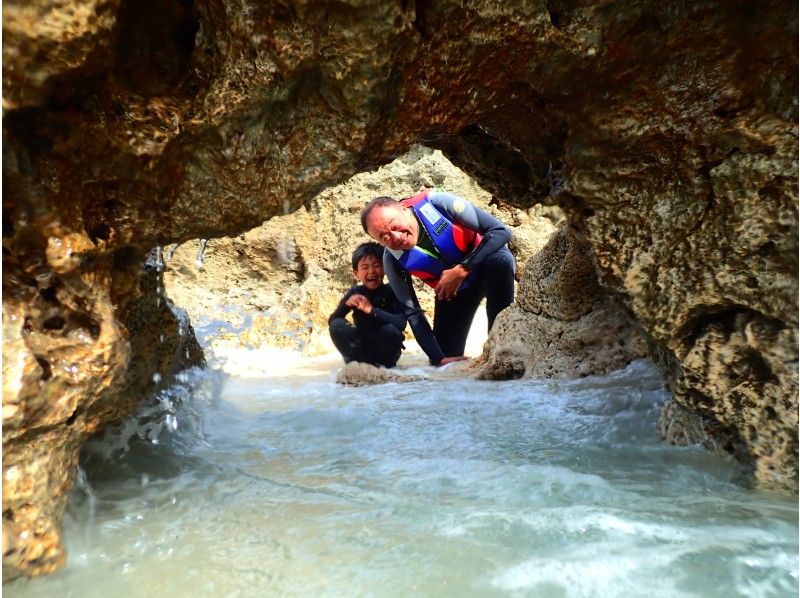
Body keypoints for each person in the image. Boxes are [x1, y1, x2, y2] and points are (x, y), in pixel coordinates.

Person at [361, 188, 516, 367]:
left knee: (501, 260)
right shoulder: (392, 260)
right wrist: (438, 358)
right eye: (385, 236)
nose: (396, 237)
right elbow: (413, 313)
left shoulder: (437, 203)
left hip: (488, 266)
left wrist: (462, 269)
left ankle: (499, 347)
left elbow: (500, 232)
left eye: (395, 226)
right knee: (442, 362)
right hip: (456, 292)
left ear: (404, 208)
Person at [328, 242, 407, 368]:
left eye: (377, 265)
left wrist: (371, 310)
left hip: (386, 352)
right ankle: (354, 365)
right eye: (365, 267)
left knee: (391, 330)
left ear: (385, 268)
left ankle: (387, 368)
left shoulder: (391, 290)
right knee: (337, 325)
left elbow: (401, 323)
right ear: (356, 273)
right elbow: (332, 321)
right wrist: (347, 305)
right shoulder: (355, 292)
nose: (372, 271)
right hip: (362, 351)